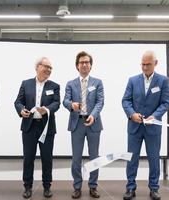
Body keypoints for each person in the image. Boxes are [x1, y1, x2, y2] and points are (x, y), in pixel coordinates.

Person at [121, 51, 169, 200]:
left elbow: (165, 103)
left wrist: (154, 116)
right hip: (134, 127)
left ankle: (154, 188)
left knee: (154, 158)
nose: (144, 67)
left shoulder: (163, 81)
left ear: (155, 63)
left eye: (148, 64)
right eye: (142, 64)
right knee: (132, 159)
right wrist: (132, 114)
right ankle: (130, 188)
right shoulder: (132, 80)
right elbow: (125, 101)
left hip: (153, 127)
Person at [14, 57, 60, 199]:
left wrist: (46, 109)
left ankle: (47, 186)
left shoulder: (54, 86)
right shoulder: (26, 83)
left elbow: (57, 103)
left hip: (47, 127)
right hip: (29, 127)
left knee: (47, 158)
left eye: (50, 68)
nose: (48, 70)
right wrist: (21, 110)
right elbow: (18, 102)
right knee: (28, 158)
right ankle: (27, 187)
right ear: (37, 67)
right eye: (46, 66)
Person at [63, 51, 104, 199]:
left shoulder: (97, 83)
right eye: (82, 62)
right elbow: (65, 101)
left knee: (94, 157)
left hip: (93, 123)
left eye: (87, 62)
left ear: (91, 65)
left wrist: (93, 115)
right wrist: (71, 104)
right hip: (77, 123)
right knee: (76, 158)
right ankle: (77, 187)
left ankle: (93, 186)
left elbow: (100, 102)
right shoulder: (71, 84)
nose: (85, 64)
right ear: (77, 66)